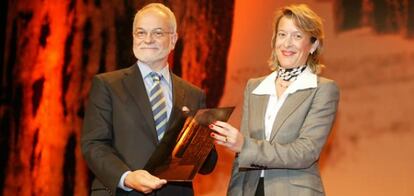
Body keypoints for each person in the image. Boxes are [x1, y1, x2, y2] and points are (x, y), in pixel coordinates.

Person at [81, 3, 217, 196]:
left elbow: (206, 165)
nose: (148, 40)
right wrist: (127, 177)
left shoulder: (194, 95)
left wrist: (205, 140)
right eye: (140, 33)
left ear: (173, 40)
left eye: (158, 33)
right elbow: (94, 144)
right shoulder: (107, 85)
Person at [210, 4, 339, 196]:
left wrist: (244, 145)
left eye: (297, 36)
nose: (287, 44)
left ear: (313, 45)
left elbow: (304, 152)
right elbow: (241, 159)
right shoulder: (255, 86)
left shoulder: (323, 89)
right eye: (282, 34)